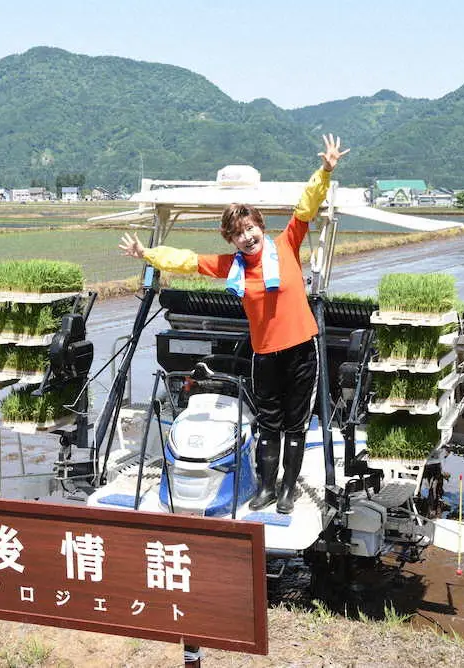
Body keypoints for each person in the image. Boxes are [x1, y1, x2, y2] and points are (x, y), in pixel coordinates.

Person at [119, 134, 349, 514]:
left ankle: (288, 491)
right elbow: (188, 260)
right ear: (231, 238)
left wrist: (324, 170)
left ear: (260, 225)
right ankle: (266, 488)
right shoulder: (232, 266)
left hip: (301, 351)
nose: (247, 236)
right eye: (238, 233)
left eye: (251, 227)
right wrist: (147, 254)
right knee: (268, 423)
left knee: (295, 424)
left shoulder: (287, 245)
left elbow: (307, 207)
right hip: (265, 355)